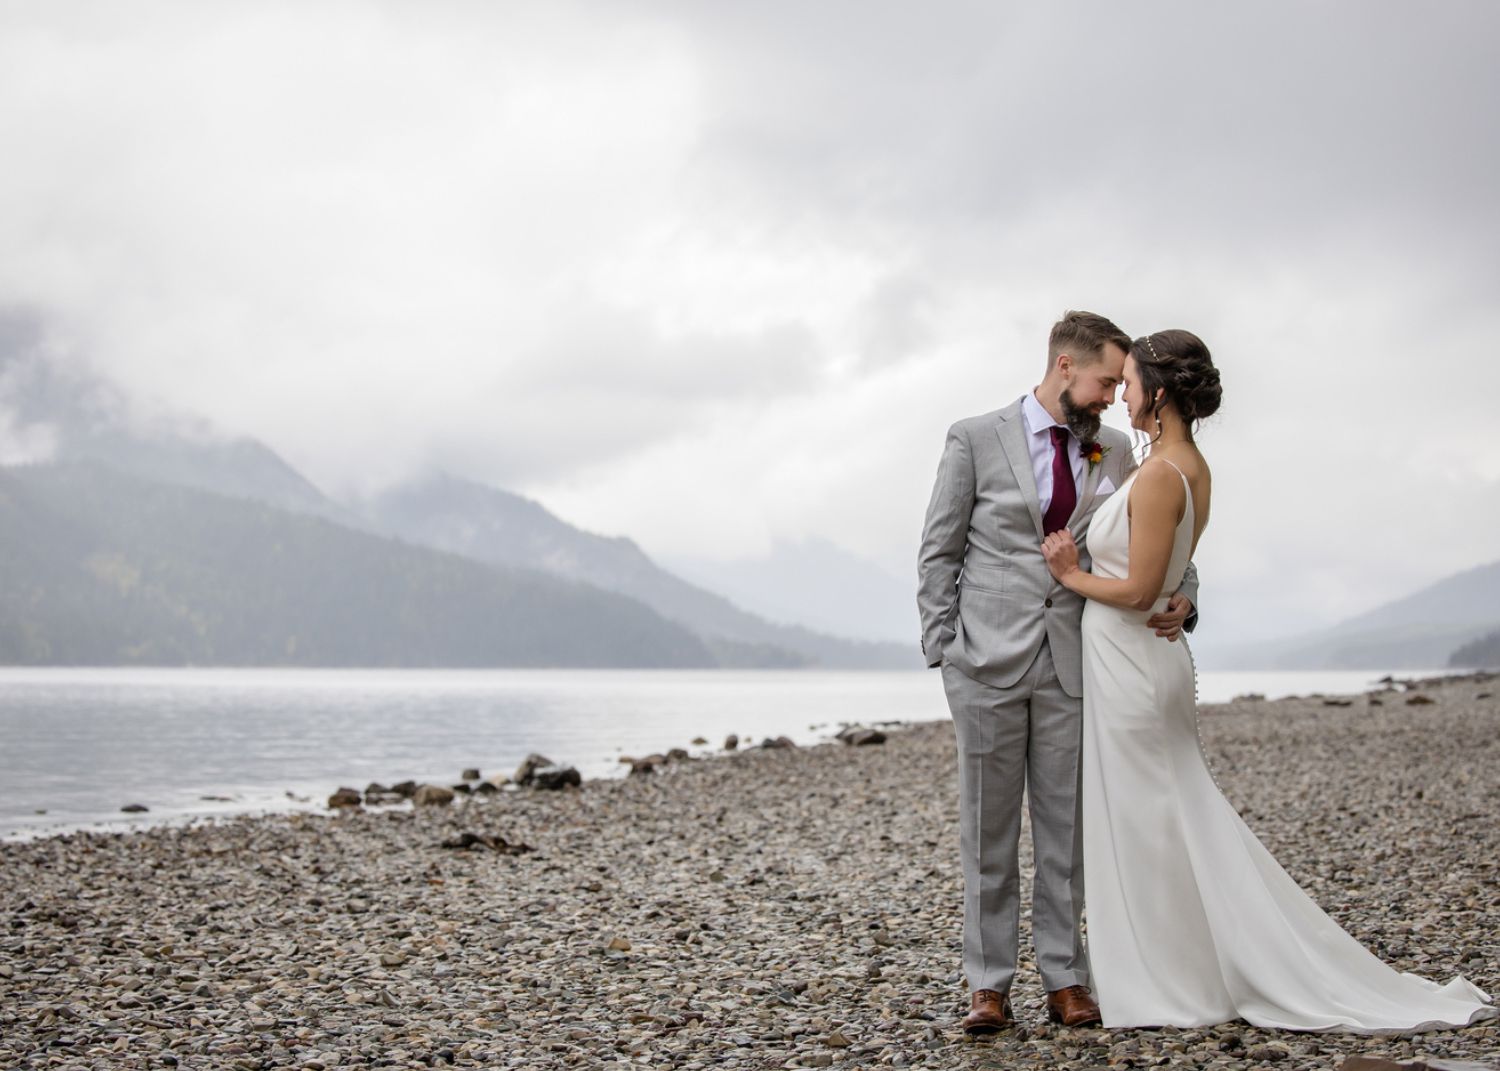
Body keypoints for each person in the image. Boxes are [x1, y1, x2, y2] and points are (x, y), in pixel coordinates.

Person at [1040, 329, 1496, 1032]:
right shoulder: (1187, 465)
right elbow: (1170, 577)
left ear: (1159, 393)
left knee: (1151, 822)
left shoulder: (1162, 473)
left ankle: (1174, 980)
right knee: (1161, 820)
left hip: (1133, 665)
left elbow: (1139, 590)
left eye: (1129, 381)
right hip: (1134, 663)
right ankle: (1179, 966)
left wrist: (1071, 574)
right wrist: (1179, 597)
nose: (1123, 393)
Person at [917, 311, 1198, 1034]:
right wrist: (945, 650)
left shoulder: (1115, 449)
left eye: (1118, 384)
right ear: (1066, 367)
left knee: (1066, 830)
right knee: (988, 830)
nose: (1113, 396)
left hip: (1078, 665)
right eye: (1107, 380)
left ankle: (1067, 979)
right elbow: (939, 551)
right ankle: (988, 984)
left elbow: (1160, 534)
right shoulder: (973, 438)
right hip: (984, 663)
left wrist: (1187, 590)